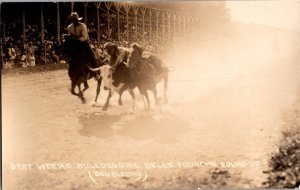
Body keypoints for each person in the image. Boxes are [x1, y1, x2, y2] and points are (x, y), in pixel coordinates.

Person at [67, 12, 100, 79]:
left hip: (83, 43)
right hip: (74, 44)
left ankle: (95, 73)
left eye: (75, 20)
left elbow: (85, 37)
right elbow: (69, 35)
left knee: (91, 55)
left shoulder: (82, 26)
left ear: (77, 20)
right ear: (71, 20)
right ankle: (71, 70)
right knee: (69, 53)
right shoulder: (69, 27)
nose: (74, 21)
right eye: (73, 20)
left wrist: (77, 39)